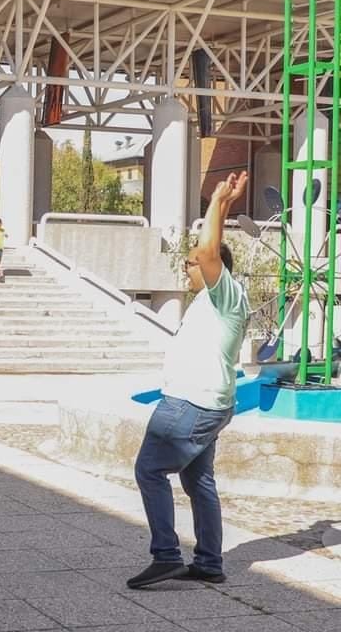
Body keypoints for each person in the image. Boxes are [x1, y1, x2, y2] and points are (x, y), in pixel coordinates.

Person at [127, 171, 251, 590]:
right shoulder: (209, 300)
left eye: (192, 262)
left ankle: (165, 555)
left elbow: (210, 250)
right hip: (204, 402)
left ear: (214, 269)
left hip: (190, 404)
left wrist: (217, 202)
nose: (188, 264)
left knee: (149, 470)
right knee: (198, 480)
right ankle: (210, 562)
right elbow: (210, 250)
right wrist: (226, 204)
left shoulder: (226, 295)